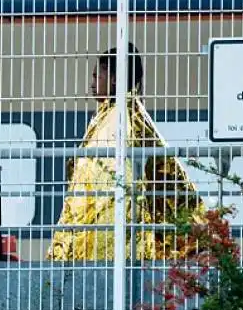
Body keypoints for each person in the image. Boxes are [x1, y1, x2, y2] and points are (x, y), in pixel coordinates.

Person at [46, 43, 207, 261]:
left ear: (113, 79)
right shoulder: (119, 116)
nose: (92, 84)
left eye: (97, 77)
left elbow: (106, 179)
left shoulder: (120, 120)